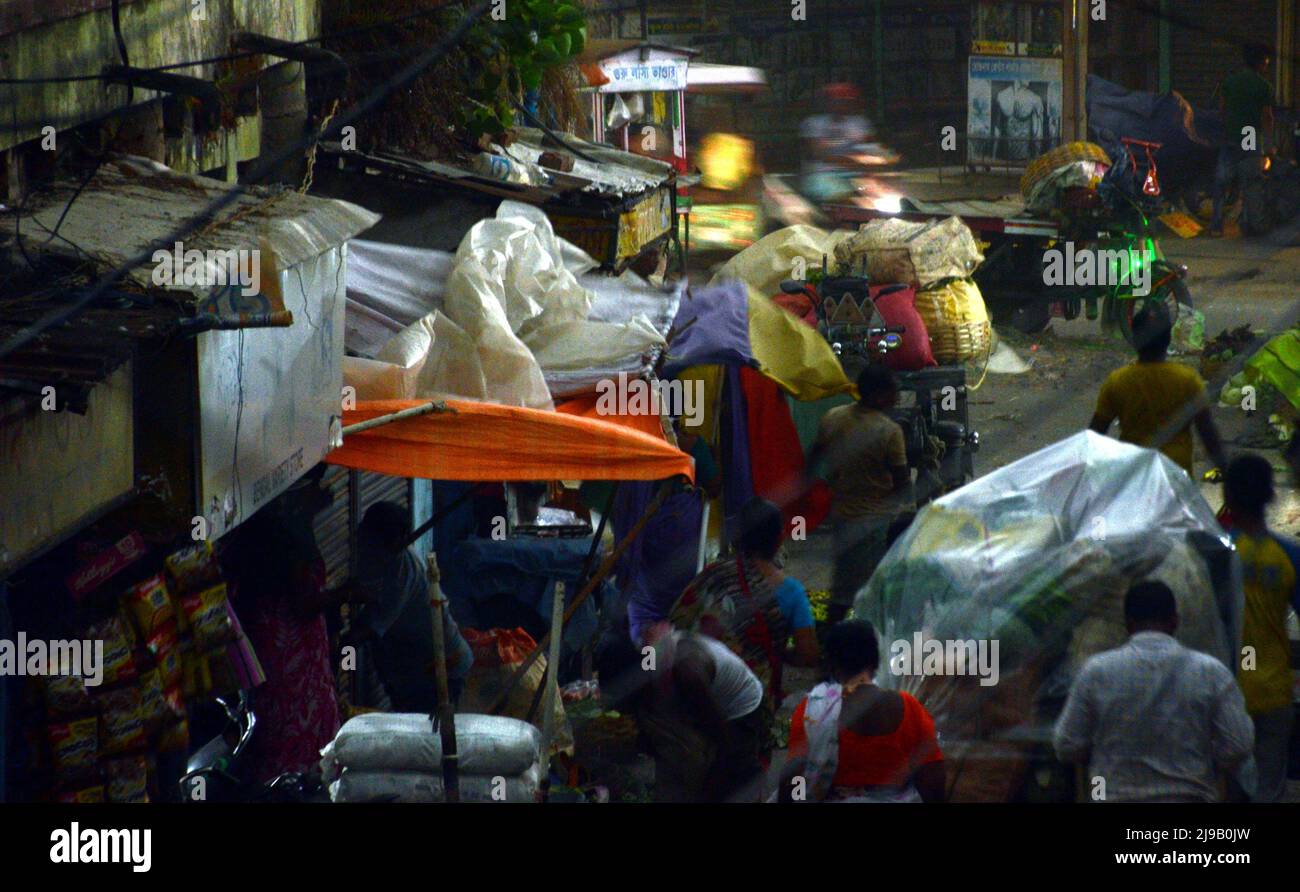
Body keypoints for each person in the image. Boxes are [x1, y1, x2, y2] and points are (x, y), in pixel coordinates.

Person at [1054, 581, 1255, 802]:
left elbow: (1067, 744)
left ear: (1128, 624)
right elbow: (1239, 744)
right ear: (1175, 622)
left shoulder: (1096, 671)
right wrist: (1206, 761)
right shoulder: (1211, 672)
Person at [234, 466, 343, 782]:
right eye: (315, 486)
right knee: (295, 737)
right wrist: (344, 594)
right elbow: (304, 603)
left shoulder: (284, 534)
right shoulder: (288, 545)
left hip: (291, 659)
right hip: (291, 663)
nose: (325, 491)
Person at [670, 497, 820, 720]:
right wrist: (774, 653)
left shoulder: (712, 576)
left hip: (703, 690)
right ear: (779, 539)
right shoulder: (791, 592)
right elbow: (808, 655)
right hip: (755, 698)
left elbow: (676, 622)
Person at [780, 620, 944, 802]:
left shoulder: (812, 710)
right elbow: (932, 779)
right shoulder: (908, 707)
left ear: (832, 663)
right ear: (876, 662)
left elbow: (794, 776)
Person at [596, 627, 766, 802]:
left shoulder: (687, 672)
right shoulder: (647, 660)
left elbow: (718, 732)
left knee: (730, 775)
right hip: (699, 701)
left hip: (737, 709)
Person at [807, 364, 912, 623]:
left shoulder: (833, 417)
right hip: (876, 521)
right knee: (877, 590)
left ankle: (832, 642)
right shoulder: (889, 431)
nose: (897, 398)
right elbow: (902, 481)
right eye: (893, 392)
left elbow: (813, 458)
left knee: (842, 586)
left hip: (842, 516)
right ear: (878, 395)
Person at [1223, 453, 1300, 802]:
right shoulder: (1288, 555)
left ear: (1227, 495)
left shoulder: (1213, 553)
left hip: (1221, 693)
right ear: (1271, 496)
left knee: (1224, 789)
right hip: (1273, 692)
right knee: (1268, 791)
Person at [353, 501, 473, 712]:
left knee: (427, 734)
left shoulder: (403, 569)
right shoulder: (378, 557)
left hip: (440, 670)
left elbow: (373, 628)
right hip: (416, 668)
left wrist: (338, 645)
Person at [1089, 303, 1228, 478]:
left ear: (1135, 339)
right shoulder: (1187, 380)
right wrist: (1227, 472)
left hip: (1133, 475)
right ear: (1168, 339)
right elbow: (1208, 434)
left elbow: (1095, 434)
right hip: (1176, 476)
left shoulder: (1118, 381)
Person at [1211, 43, 1275, 236]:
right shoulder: (1264, 86)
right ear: (1260, 63)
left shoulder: (1230, 82)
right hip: (1250, 136)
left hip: (1231, 136)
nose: (1267, 65)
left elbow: (1222, 109)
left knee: (1221, 182)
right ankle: (1249, 226)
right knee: (1250, 183)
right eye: (1266, 62)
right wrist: (1269, 145)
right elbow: (1267, 117)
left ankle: (1215, 226)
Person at [800, 82, 874, 203]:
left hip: (856, 174)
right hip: (823, 174)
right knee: (843, 197)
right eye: (838, 100)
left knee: (879, 194)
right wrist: (855, 161)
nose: (842, 104)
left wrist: (876, 158)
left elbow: (870, 150)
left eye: (847, 101)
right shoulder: (814, 123)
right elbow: (818, 154)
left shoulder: (860, 123)